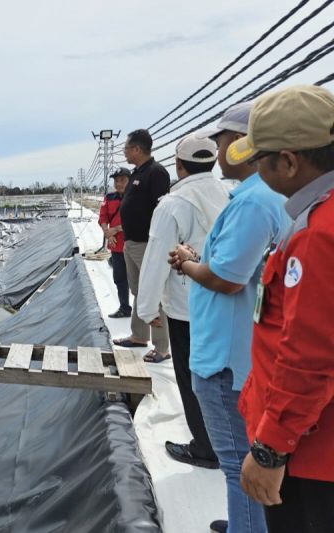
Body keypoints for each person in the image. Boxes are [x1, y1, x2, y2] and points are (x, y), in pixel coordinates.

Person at [171, 101, 287, 533]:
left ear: (240, 145)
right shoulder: (260, 198)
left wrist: (186, 264)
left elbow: (227, 280)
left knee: (239, 462)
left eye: (221, 142)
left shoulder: (254, 202)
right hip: (239, 349)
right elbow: (235, 268)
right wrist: (201, 259)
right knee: (241, 462)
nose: (219, 152)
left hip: (224, 357)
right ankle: (246, 523)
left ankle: (246, 526)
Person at [226, 85, 334, 532]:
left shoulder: (318, 236)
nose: (255, 170)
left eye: (260, 160)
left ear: (289, 162)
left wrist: (271, 450)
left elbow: (310, 358)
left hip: (307, 453)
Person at [139, 132, 229, 472]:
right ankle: (229, 439)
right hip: (228, 300)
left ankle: (206, 446)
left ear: (179, 165)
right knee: (224, 375)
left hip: (187, 307)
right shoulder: (230, 194)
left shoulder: (174, 204)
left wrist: (147, 309)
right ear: (214, 161)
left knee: (194, 379)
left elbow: (156, 259)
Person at [114, 129, 171, 362]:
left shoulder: (156, 173)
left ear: (137, 149)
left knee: (153, 292)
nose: (125, 152)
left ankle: (162, 347)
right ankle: (139, 335)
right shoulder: (138, 172)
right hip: (132, 241)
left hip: (147, 243)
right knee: (138, 290)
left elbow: (162, 209)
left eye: (126, 148)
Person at [99, 168, 132, 318]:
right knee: (119, 278)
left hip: (133, 244)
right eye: (116, 181)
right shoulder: (109, 197)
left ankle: (144, 312)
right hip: (115, 245)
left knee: (137, 279)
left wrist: (116, 229)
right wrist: (107, 232)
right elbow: (103, 217)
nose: (118, 184)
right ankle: (124, 307)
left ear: (129, 181)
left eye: (122, 180)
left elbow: (142, 220)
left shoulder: (136, 197)